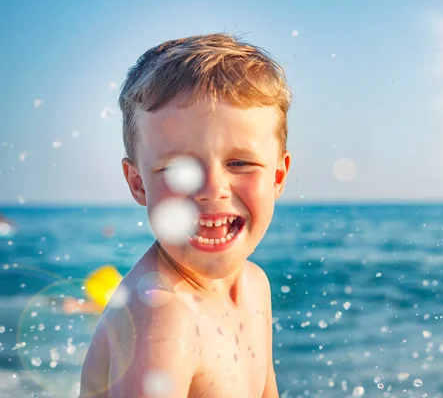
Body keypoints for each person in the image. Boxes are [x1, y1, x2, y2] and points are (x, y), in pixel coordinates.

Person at [79, 33, 291, 398]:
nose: (212, 188)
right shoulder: (163, 320)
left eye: (239, 163)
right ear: (138, 183)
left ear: (277, 177)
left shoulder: (256, 285)